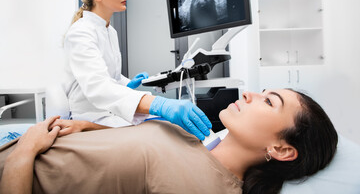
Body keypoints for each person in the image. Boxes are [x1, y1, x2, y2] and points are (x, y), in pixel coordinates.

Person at [0, 89, 338, 194]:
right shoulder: (198, 143)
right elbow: (137, 160)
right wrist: (89, 127)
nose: (251, 94)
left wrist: (25, 152)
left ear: (280, 149)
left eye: (269, 101)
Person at [62, 0, 211, 140]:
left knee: (169, 128)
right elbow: (99, 88)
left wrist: (127, 83)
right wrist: (159, 104)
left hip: (111, 112)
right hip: (92, 116)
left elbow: (110, 78)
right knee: (161, 133)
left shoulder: (110, 31)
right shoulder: (80, 32)